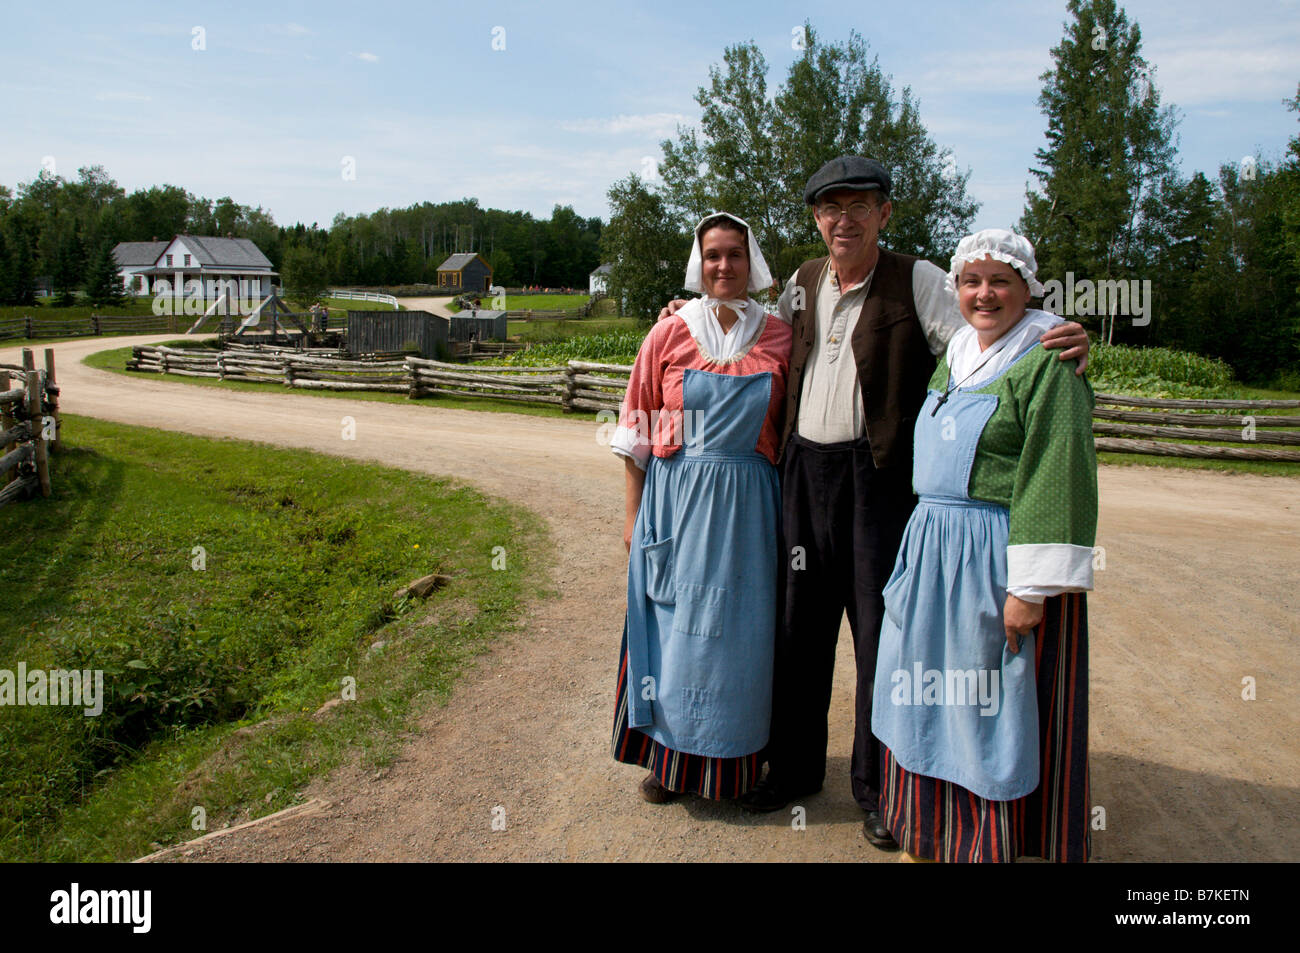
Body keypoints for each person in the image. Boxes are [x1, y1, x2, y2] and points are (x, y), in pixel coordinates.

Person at [658, 157, 1090, 849]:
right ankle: (794, 770)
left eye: (860, 206)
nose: (844, 219)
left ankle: (877, 786)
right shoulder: (799, 283)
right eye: (831, 208)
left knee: (880, 638)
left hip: (877, 477)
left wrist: (1051, 331)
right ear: (816, 218)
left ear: (885, 213)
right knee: (797, 632)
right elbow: (746, 329)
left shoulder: (919, 279)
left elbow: (985, 336)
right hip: (802, 473)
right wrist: (687, 311)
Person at [870, 229, 1097, 861]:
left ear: (1028, 288)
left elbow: (1058, 471)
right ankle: (926, 827)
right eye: (971, 281)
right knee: (923, 690)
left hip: (995, 557)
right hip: (935, 550)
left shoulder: (1048, 360)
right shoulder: (958, 353)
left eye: (1000, 280)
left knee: (989, 703)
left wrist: (1028, 589)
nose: (984, 294)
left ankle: (990, 841)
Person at [610, 212, 792, 803]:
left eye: (734, 254)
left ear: (751, 261)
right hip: (676, 504)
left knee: (743, 638)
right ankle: (669, 763)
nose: (723, 265)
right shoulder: (667, 334)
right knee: (674, 633)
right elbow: (636, 432)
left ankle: (737, 767)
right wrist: (636, 522)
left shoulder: (782, 336)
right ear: (699, 261)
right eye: (713, 254)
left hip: (749, 513)